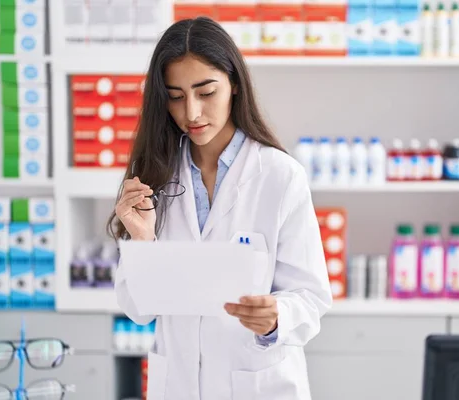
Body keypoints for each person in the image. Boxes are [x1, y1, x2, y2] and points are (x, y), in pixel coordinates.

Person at [107, 16, 333, 400]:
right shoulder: (153, 176)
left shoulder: (280, 176)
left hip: (258, 385)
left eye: (205, 92)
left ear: (234, 87)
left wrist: (276, 317)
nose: (191, 112)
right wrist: (141, 240)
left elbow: (311, 297)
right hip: (177, 385)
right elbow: (139, 311)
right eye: (176, 96)